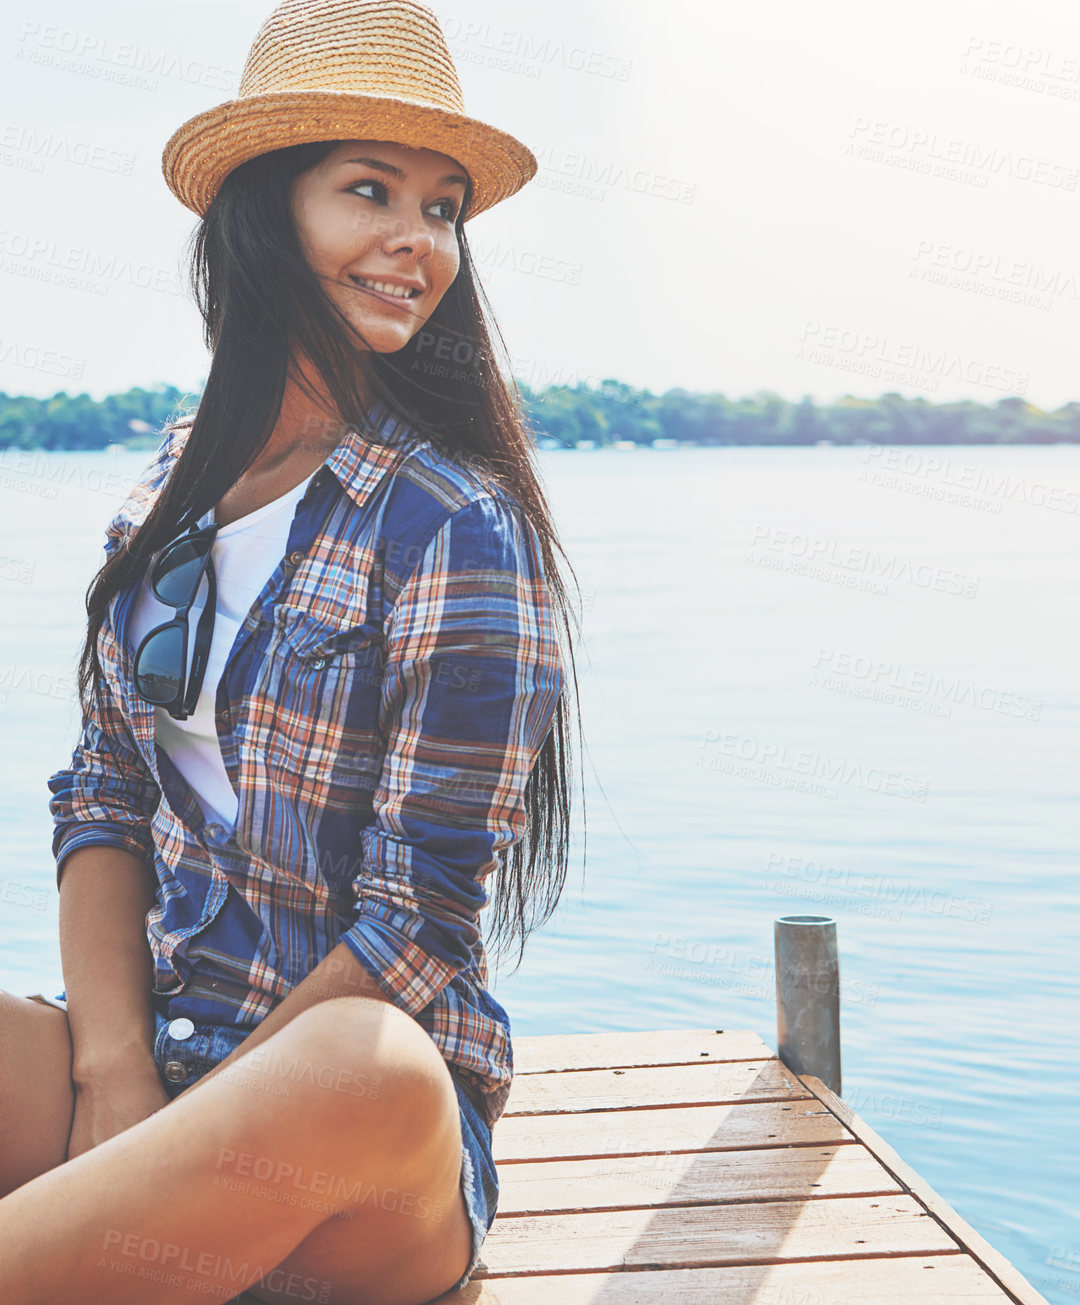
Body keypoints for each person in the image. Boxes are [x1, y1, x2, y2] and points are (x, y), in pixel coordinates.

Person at [0, 0, 582, 1300]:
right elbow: (103, 799)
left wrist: (195, 1135)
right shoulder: (168, 495)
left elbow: (413, 927)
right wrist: (119, 1077)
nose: (414, 240)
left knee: (365, 1064)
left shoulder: (455, 527)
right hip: (162, 1051)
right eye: (368, 190)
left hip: (350, 1142)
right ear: (266, 216)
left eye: (442, 208)